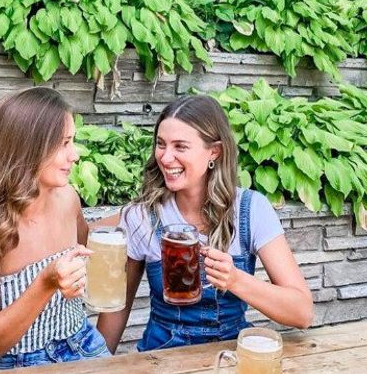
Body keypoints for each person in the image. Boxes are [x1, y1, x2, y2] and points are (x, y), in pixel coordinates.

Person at [96, 95, 312, 352]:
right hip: (161, 359)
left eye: (180, 146)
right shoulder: (143, 216)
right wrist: (97, 365)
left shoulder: (250, 209)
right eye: (161, 144)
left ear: (214, 152)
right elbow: (117, 311)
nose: (165, 158)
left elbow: (302, 313)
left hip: (229, 358)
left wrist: (235, 280)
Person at [0, 88, 107, 369]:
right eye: (64, 143)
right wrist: (45, 283)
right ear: (27, 148)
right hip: (21, 362)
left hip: (84, 343)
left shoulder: (68, 199)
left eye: (73, 141)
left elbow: (86, 245)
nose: (74, 155)